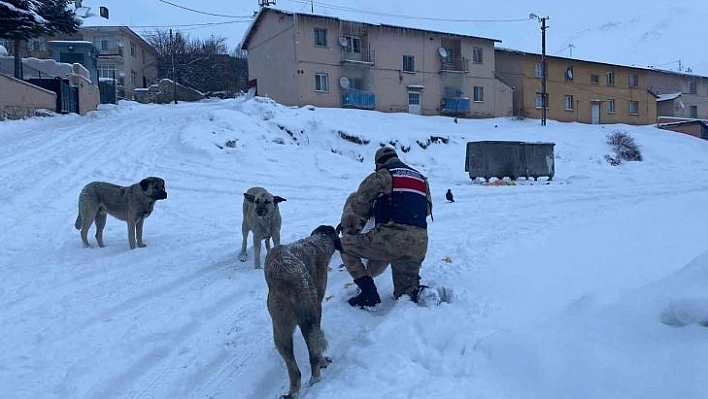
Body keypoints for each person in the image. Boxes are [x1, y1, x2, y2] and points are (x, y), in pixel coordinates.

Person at [339, 146, 435, 308]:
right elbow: (427, 210)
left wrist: (351, 231)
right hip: (418, 243)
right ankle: (424, 294)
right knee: (405, 292)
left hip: (390, 238)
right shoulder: (421, 179)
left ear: (378, 164)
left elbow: (359, 204)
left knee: (343, 246)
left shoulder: (382, 176)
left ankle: (368, 293)